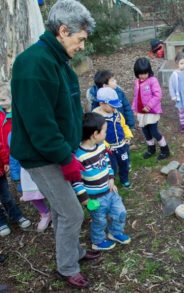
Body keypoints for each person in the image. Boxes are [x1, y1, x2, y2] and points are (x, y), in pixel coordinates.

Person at [10, 0, 98, 289]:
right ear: (63, 30)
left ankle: (71, 253)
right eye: (80, 38)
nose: (82, 45)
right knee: (72, 211)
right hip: (42, 155)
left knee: (65, 209)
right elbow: (41, 126)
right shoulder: (34, 64)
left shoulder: (56, 60)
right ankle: (67, 266)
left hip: (59, 151)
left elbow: (66, 106)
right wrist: (66, 158)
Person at [73, 112, 131, 251]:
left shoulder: (100, 147)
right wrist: (85, 199)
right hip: (94, 198)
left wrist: (111, 178)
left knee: (120, 212)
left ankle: (115, 233)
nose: (106, 134)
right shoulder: (79, 156)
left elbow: (107, 165)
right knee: (99, 221)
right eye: (104, 130)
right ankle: (97, 241)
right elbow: (75, 181)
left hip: (110, 190)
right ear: (95, 134)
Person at [0, 83, 31, 237]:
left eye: (3, 99)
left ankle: (16, 215)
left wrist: (4, 162)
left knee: (6, 195)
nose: (1, 104)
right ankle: (1, 222)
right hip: (10, 151)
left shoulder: (17, 113)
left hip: (15, 151)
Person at [93, 87, 133, 188]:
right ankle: (111, 183)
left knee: (124, 163)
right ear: (102, 104)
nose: (114, 108)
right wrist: (105, 145)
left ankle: (124, 179)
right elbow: (97, 135)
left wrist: (128, 135)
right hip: (109, 149)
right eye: (112, 106)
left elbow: (124, 126)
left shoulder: (117, 114)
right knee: (112, 166)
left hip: (122, 145)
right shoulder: (97, 119)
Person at [132, 57, 170, 160]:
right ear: (137, 73)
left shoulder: (153, 80)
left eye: (145, 73)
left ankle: (165, 150)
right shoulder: (137, 82)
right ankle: (151, 149)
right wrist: (134, 109)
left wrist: (148, 106)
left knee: (154, 132)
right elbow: (136, 96)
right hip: (141, 112)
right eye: (140, 74)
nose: (143, 76)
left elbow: (158, 95)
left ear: (149, 71)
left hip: (151, 112)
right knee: (146, 132)